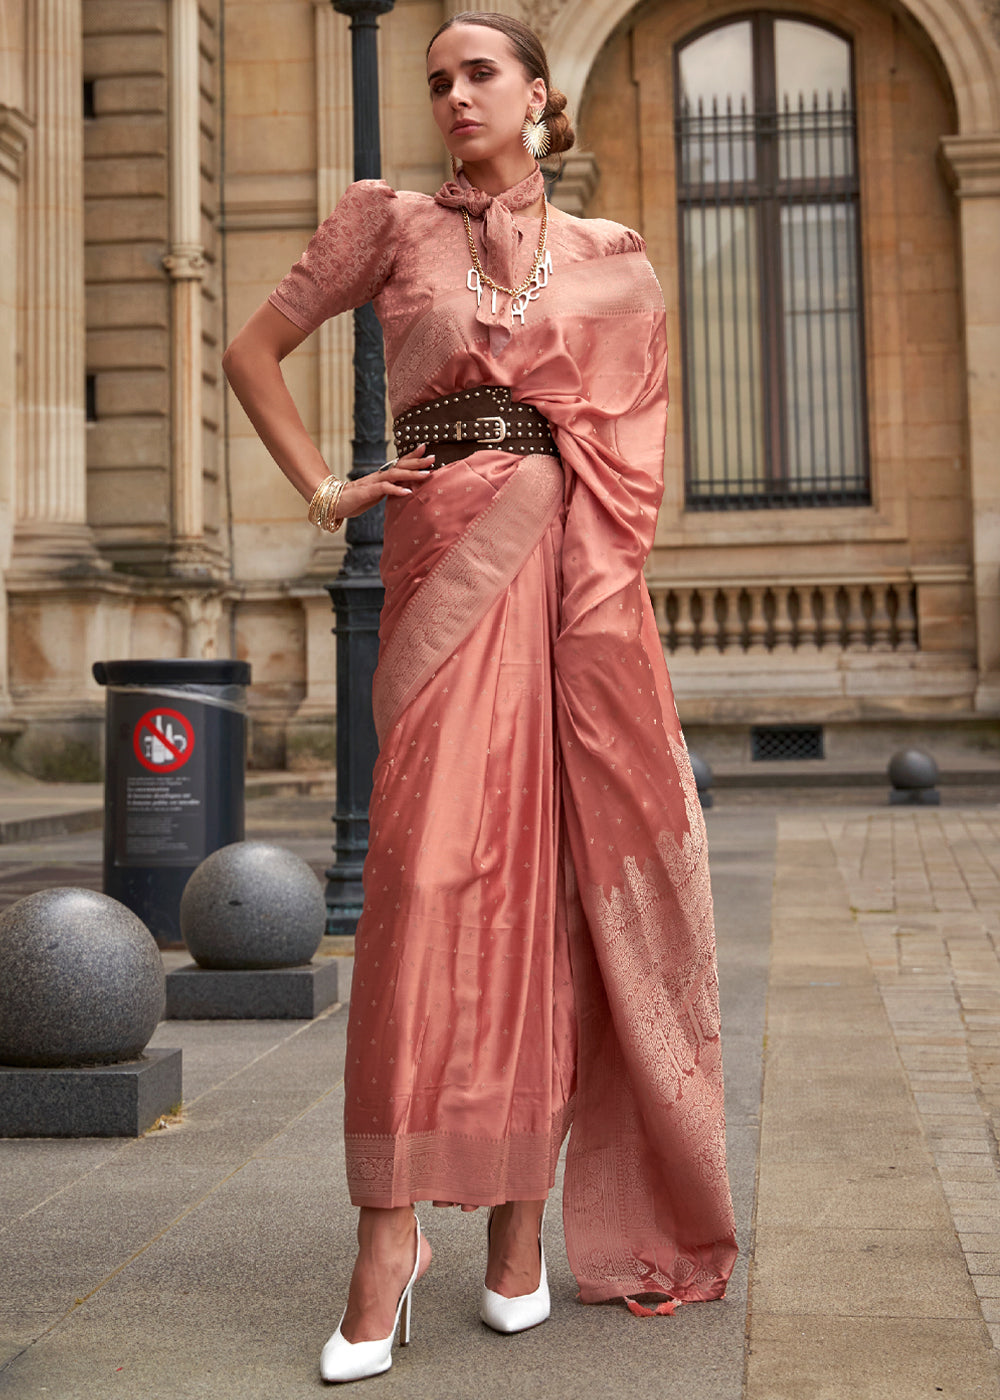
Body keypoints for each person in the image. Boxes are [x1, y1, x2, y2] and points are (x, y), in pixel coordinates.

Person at [223, 11, 737, 1383]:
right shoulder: (389, 226)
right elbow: (248, 352)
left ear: (539, 95)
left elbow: (632, 437)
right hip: (445, 560)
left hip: (576, 587)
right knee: (427, 879)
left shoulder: (613, 259)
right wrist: (326, 492)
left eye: (479, 73)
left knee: (556, 893)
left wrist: (598, 584)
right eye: (437, 77)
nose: (453, 93)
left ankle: (519, 1238)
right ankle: (388, 1239)